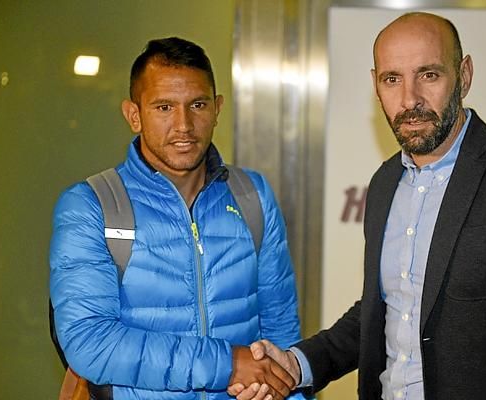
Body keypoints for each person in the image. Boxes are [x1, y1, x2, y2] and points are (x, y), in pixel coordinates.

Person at [229, 12, 486, 400]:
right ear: (375, 84)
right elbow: (388, 309)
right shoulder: (385, 183)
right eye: (392, 79)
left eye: (429, 75)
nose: (409, 99)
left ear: (464, 75)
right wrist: (298, 364)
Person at [50, 37, 305, 400]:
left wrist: (289, 392)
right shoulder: (92, 205)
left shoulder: (252, 195)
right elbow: (91, 342)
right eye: (164, 107)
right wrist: (228, 364)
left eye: (197, 105)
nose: (184, 124)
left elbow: (281, 334)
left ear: (217, 109)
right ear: (134, 115)